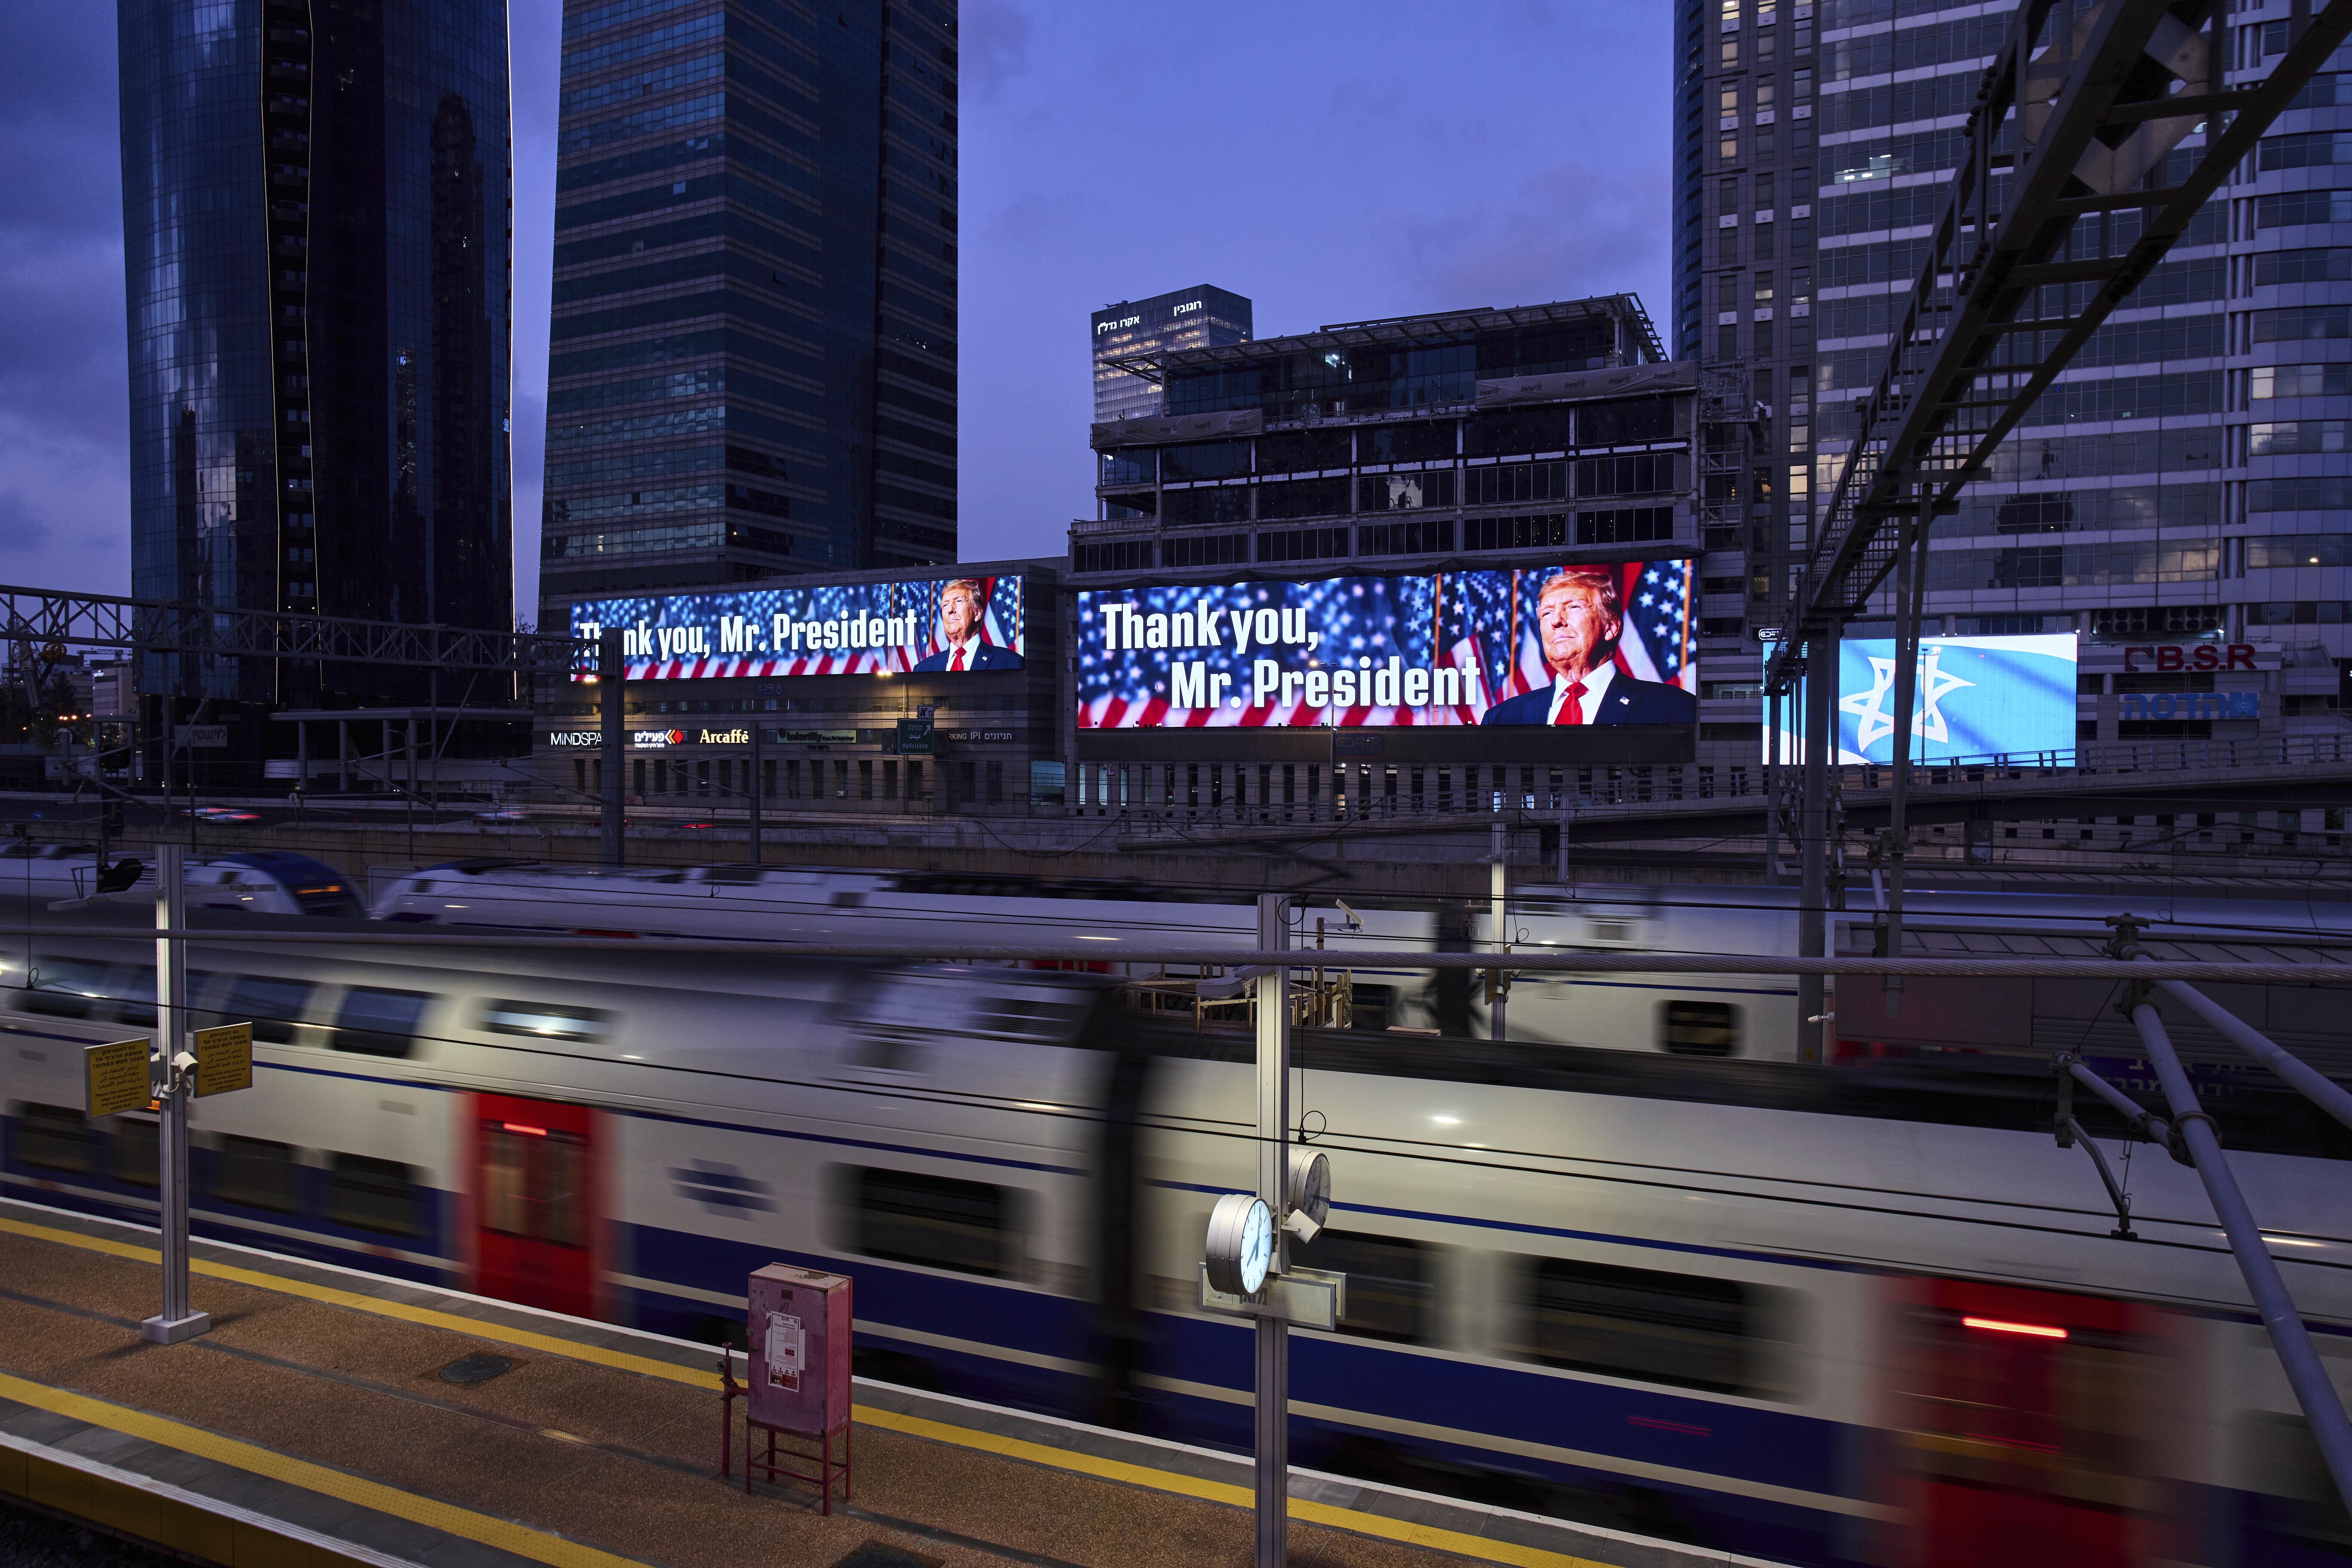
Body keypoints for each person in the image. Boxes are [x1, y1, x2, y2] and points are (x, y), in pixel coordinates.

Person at [1479, 568, 1696, 725]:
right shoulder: (1502, 719)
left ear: (1611, 628)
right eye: (1547, 613)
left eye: (1573, 607)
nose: (1557, 621)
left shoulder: (1674, 709)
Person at [911, 578, 1024, 671]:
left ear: (978, 613)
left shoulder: (1010, 663)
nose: (950, 610)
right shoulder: (923, 669)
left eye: (959, 601)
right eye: (945, 605)